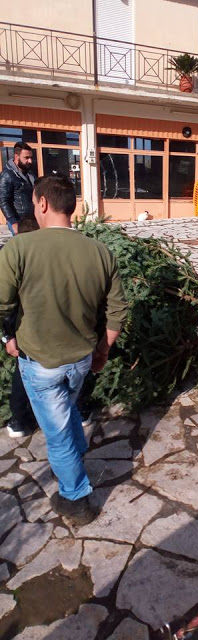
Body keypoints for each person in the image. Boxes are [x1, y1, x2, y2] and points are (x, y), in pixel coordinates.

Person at [0, 175, 128, 525]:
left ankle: (76, 499)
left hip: (40, 365)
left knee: (56, 437)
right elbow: (117, 310)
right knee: (65, 410)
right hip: (80, 360)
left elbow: (1, 304)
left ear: (41, 203)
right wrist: (103, 350)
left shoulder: (18, 249)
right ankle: (79, 451)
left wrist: (6, 338)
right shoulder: (100, 251)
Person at [2, 217, 40, 437]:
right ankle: (19, 418)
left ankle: (19, 420)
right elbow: (7, 304)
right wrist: (9, 336)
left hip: (24, 328)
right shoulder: (17, 258)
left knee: (25, 372)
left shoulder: (16, 255)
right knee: (23, 373)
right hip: (23, 328)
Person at [0, 142, 36, 236]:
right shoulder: (7, 175)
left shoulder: (30, 174)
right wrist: (13, 223)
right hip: (19, 220)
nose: (30, 161)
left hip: (32, 219)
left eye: (31, 157)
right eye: (26, 158)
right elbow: (3, 200)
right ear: (16, 157)